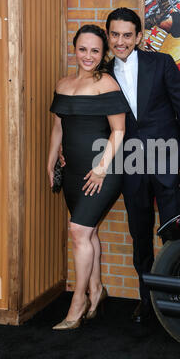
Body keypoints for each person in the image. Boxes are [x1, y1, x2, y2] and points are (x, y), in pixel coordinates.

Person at [105, 8, 180, 324]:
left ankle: (178, 303)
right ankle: (147, 302)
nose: (120, 41)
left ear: (138, 37)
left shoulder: (161, 64)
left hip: (169, 161)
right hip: (131, 168)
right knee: (140, 235)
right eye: (114, 34)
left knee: (175, 235)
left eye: (127, 35)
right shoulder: (103, 74)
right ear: (108, 36)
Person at [47, 24, 129, 330]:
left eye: (95, 50)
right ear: (75, 49)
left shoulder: (106, 83)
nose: (88, 56)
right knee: (89, 232)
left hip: (103, 171)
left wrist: (101, 168)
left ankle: (77, 302)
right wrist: (51, 157)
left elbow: (119, 131)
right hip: (72, 171)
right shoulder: (63, 83)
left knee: (78, 231)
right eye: (83, 49)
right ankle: (97, 291)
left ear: (103, 53)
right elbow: (59, 127)